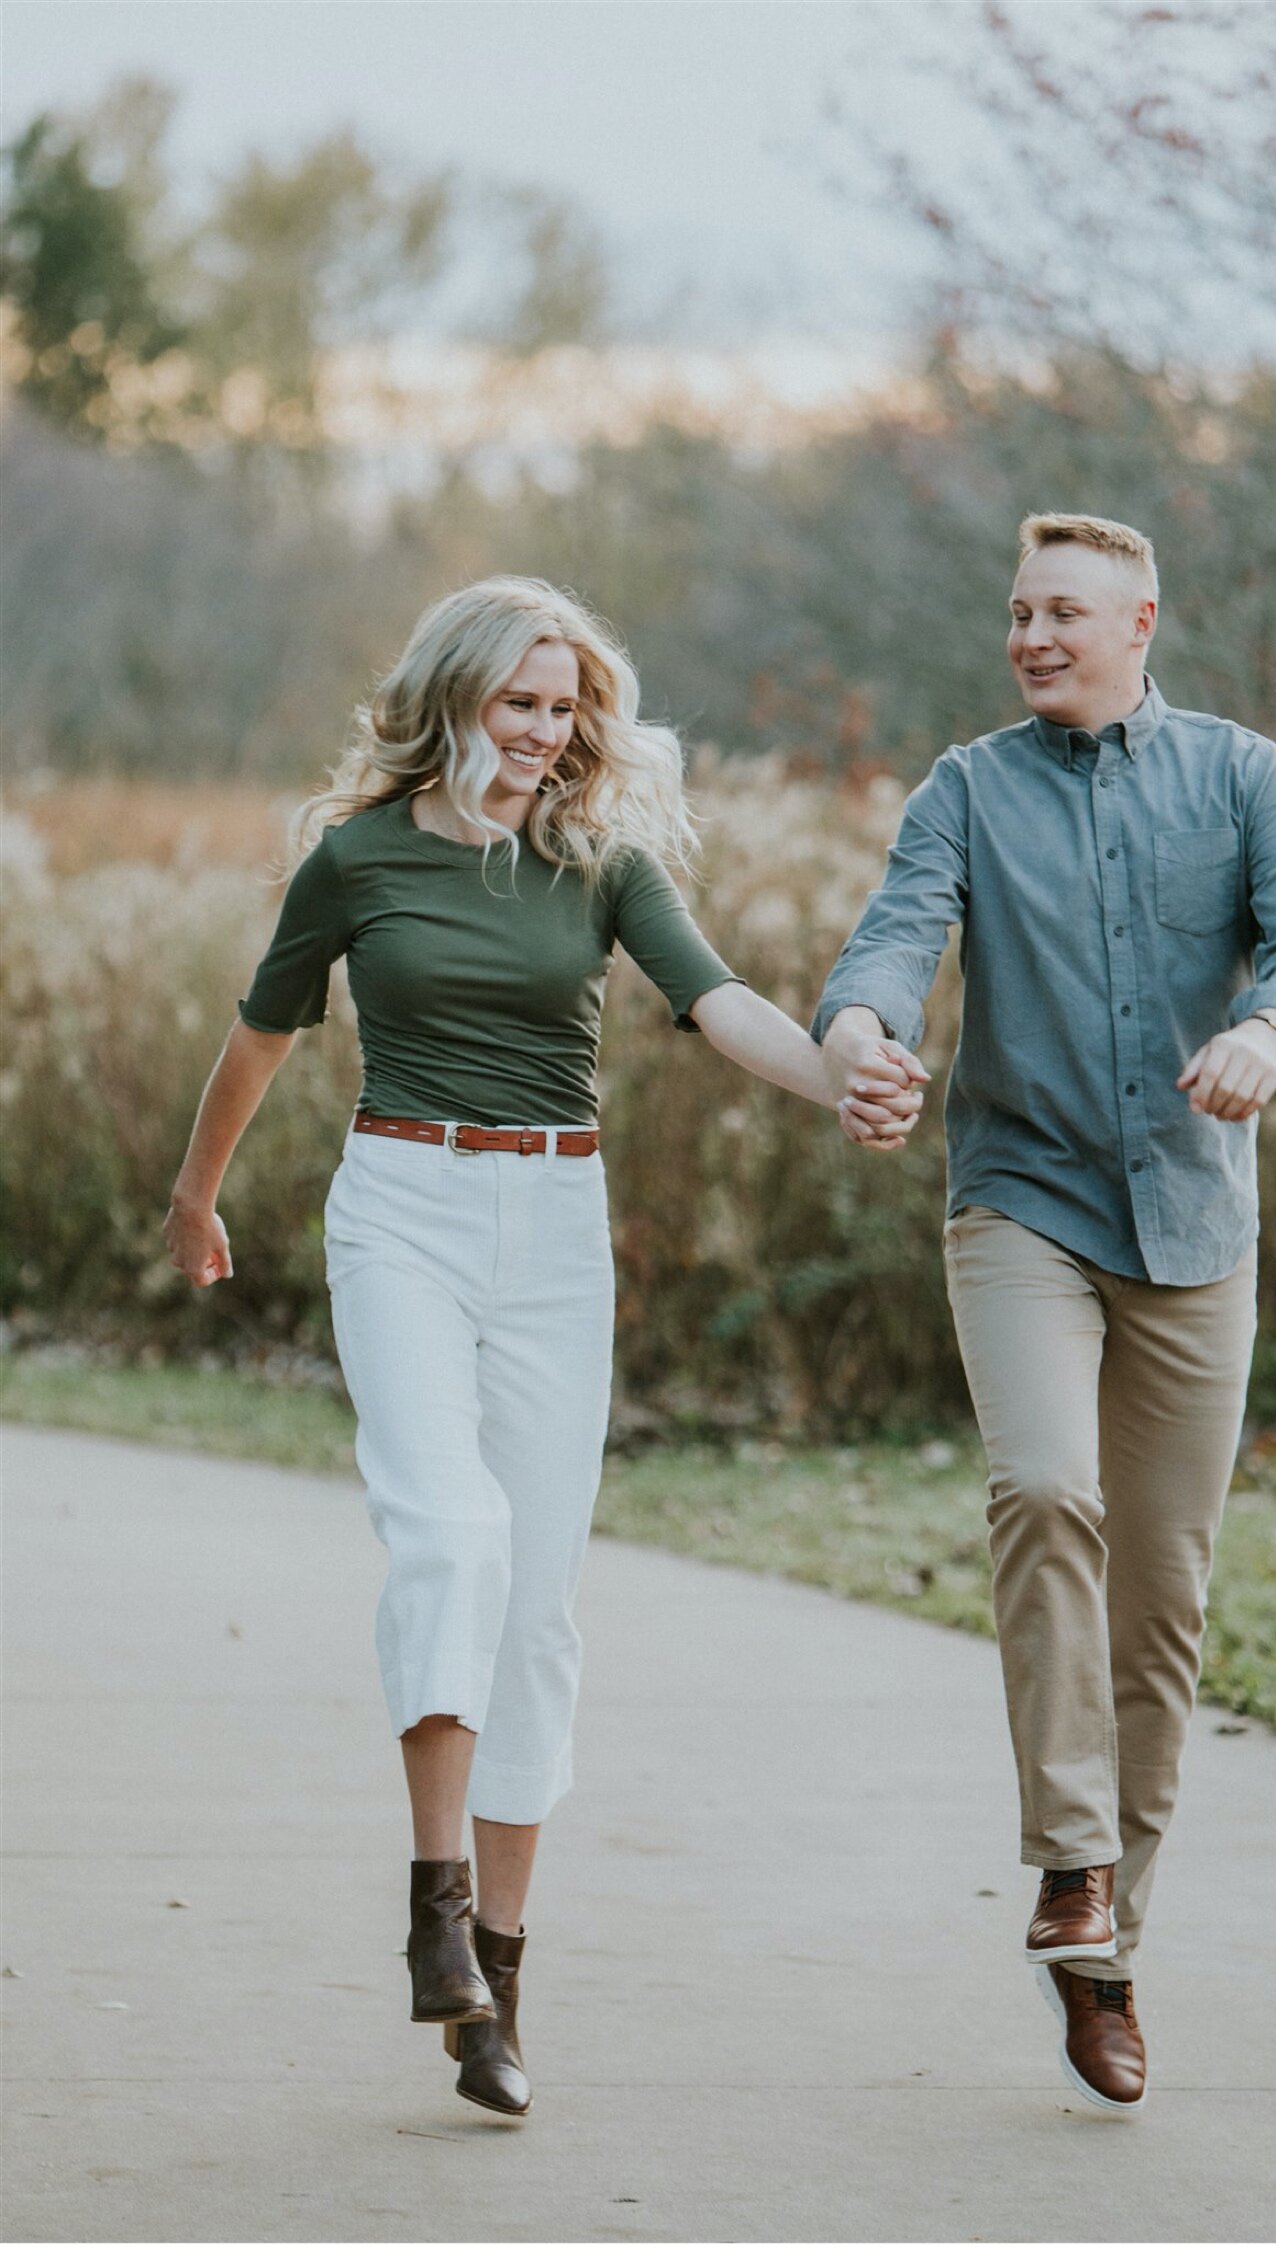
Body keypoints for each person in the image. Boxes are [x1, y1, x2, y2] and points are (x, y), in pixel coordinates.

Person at [163, 575, 922, 2120]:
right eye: (519, 700)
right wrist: (195, 1191)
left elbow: (716, 1004)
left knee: (540, 1610)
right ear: (452, 699)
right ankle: (436, 1898)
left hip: (555, 1229)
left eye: (566, 704)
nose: (545, 730)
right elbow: (263, 1029)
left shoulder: (600, 864)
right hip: (404, 1206)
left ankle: (498, 1980)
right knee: (450, 1532)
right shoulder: (356, 856)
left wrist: (835, 1078)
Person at [814, 513, 1276, 2115]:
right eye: (1016, 611)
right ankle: (1070, 1864)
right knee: (1046, 1487)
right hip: (1023, 1204)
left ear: (1140, 620)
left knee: (1164, 1598)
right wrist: (863, 1040)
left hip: (1198, 1220)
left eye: (1063, 610)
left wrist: (1268, 1029)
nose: (1032, 634)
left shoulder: (1246, 775)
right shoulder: (966, 789)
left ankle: (1111, 1949)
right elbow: (891, 943)